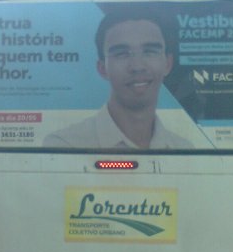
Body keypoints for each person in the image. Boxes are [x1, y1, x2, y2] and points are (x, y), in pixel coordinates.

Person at [43, 9, 192, 149]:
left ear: (168, 63)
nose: (137, 66)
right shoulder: (63, 145)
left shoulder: (185, 149)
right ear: (102, 69)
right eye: (121, 54)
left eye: (150, 51)